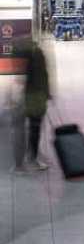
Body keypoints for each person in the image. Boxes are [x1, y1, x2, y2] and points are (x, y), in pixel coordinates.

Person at [15, 39, 50, 173]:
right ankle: (32, 159)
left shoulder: (21, 55)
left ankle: (21, 162)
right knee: (34, 128)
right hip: (35, 98)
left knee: (21, 130)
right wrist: (46, 93)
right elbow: (42, 76)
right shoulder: (37, 54)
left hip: (27, 97)